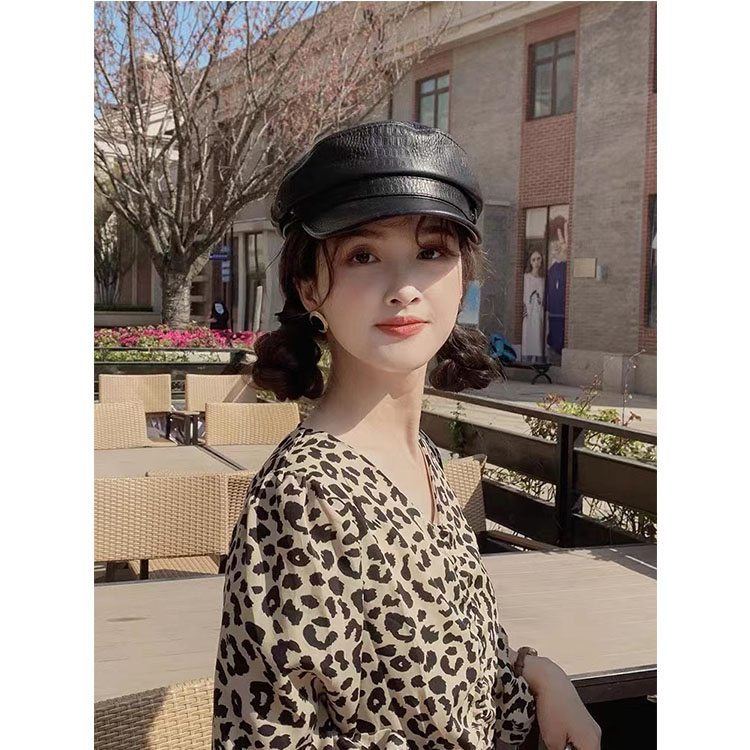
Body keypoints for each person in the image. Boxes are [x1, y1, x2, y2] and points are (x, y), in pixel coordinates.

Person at [212, 121, 601, 750]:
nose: (404, 288)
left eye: (432, 252)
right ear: (308, 287)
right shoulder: (304, 498)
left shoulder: (421, 457)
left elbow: (462, 674)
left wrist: (538, 673)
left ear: (464, 277)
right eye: (363, 256)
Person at [521, 249, 545, 361]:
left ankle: (538, 359)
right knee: (528, 336)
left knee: (538, 337)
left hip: (538, 312)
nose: (536, 262)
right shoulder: (526, 278)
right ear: (530, 262)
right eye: (533, 260)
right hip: (528, 313)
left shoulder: (543, 279)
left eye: (538, 259)